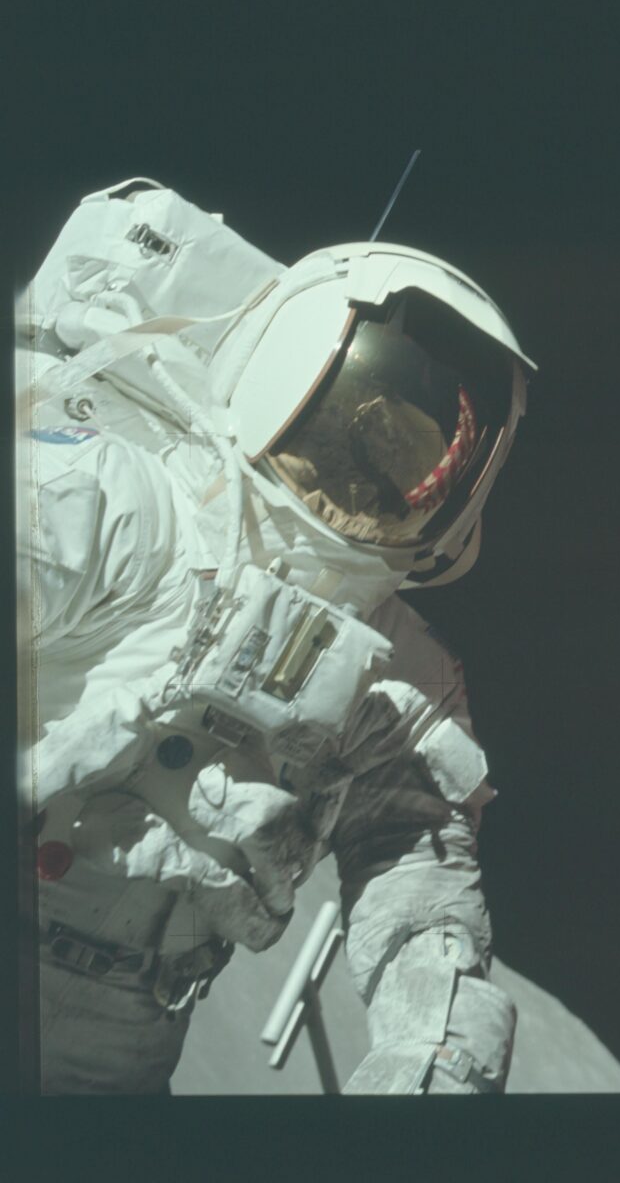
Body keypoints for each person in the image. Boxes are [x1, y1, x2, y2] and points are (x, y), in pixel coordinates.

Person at [16, 178, 533, 1094]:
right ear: (280, 363)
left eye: (416, 459)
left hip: (123, 1040)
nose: (377, 470)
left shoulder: (398, 683)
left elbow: (417, 891)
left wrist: (432, 1055)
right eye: (365, 425)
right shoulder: (121, 507)